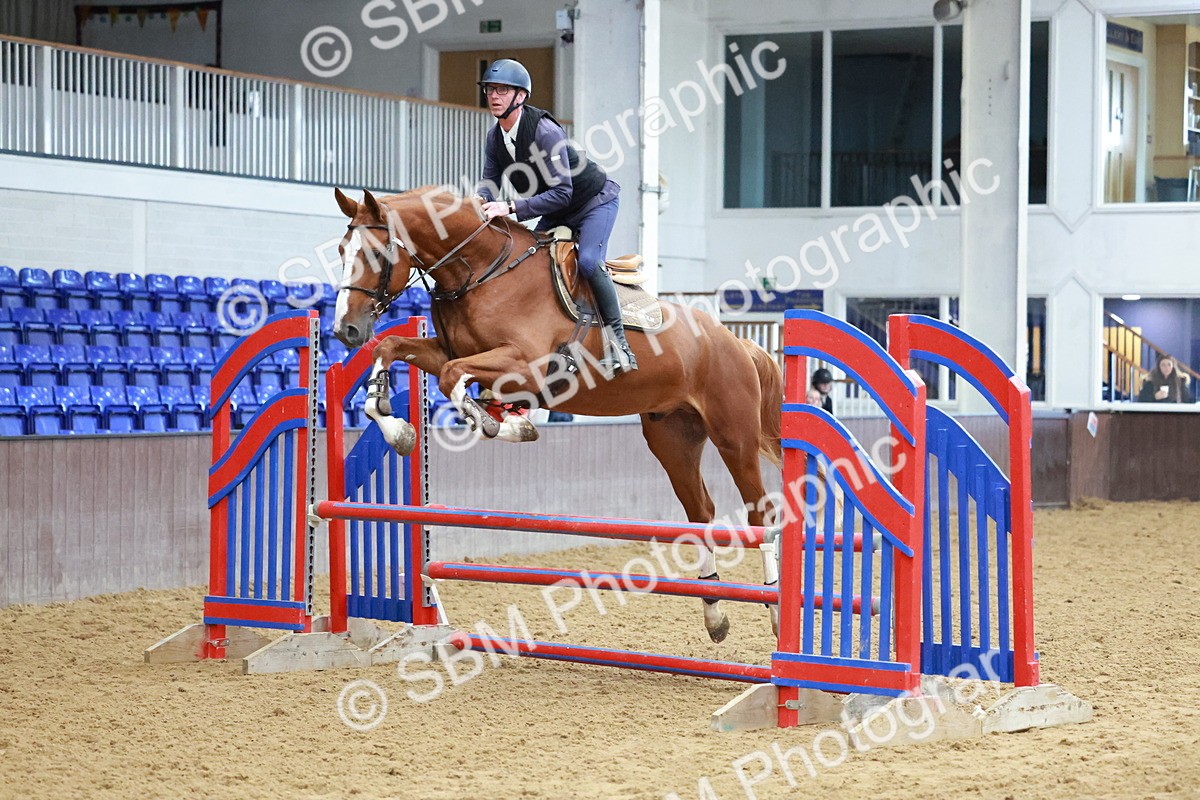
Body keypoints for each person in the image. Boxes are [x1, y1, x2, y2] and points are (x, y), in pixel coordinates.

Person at [474, 58, 636, 374]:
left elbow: (562, 192)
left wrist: (510, 208)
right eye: (491, 89)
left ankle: (620, 346)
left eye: (503, 90)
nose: (494, 96)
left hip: (593, 204)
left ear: (520, 96)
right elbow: (489, 186)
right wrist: (477, 207)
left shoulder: (545, 132)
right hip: (556, 210)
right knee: (528, 263)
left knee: (588, 261)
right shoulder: (495, 138)